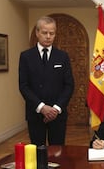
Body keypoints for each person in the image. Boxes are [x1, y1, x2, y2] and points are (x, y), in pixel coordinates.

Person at [19, 16, 74, 146]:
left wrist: (55, 108)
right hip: (35, 113)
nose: (48, 36)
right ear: (37, 33)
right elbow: (23, 86)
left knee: (58, 152)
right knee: (38, 152)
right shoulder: (26, 56)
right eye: (45, 33)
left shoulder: (62, 56)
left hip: (58, 114)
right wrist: (42, 107)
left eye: (52, 33)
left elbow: (69, 85)